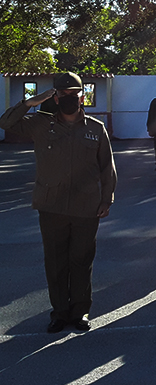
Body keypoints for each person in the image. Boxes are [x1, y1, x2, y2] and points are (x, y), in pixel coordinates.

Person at [0, 72, 117, 333]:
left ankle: (80, 311)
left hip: (86, 207)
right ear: (54, 96)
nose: (68, 98)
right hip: (51, 205)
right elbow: (5, 122)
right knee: (55, 262)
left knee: (81, 260)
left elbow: (107, 167)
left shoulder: (95, 128)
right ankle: (60, 313)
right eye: (62, 94)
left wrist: (106, 199)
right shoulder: (40, 124)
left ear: (81, 96)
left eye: (73, 94)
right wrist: (30, 102)